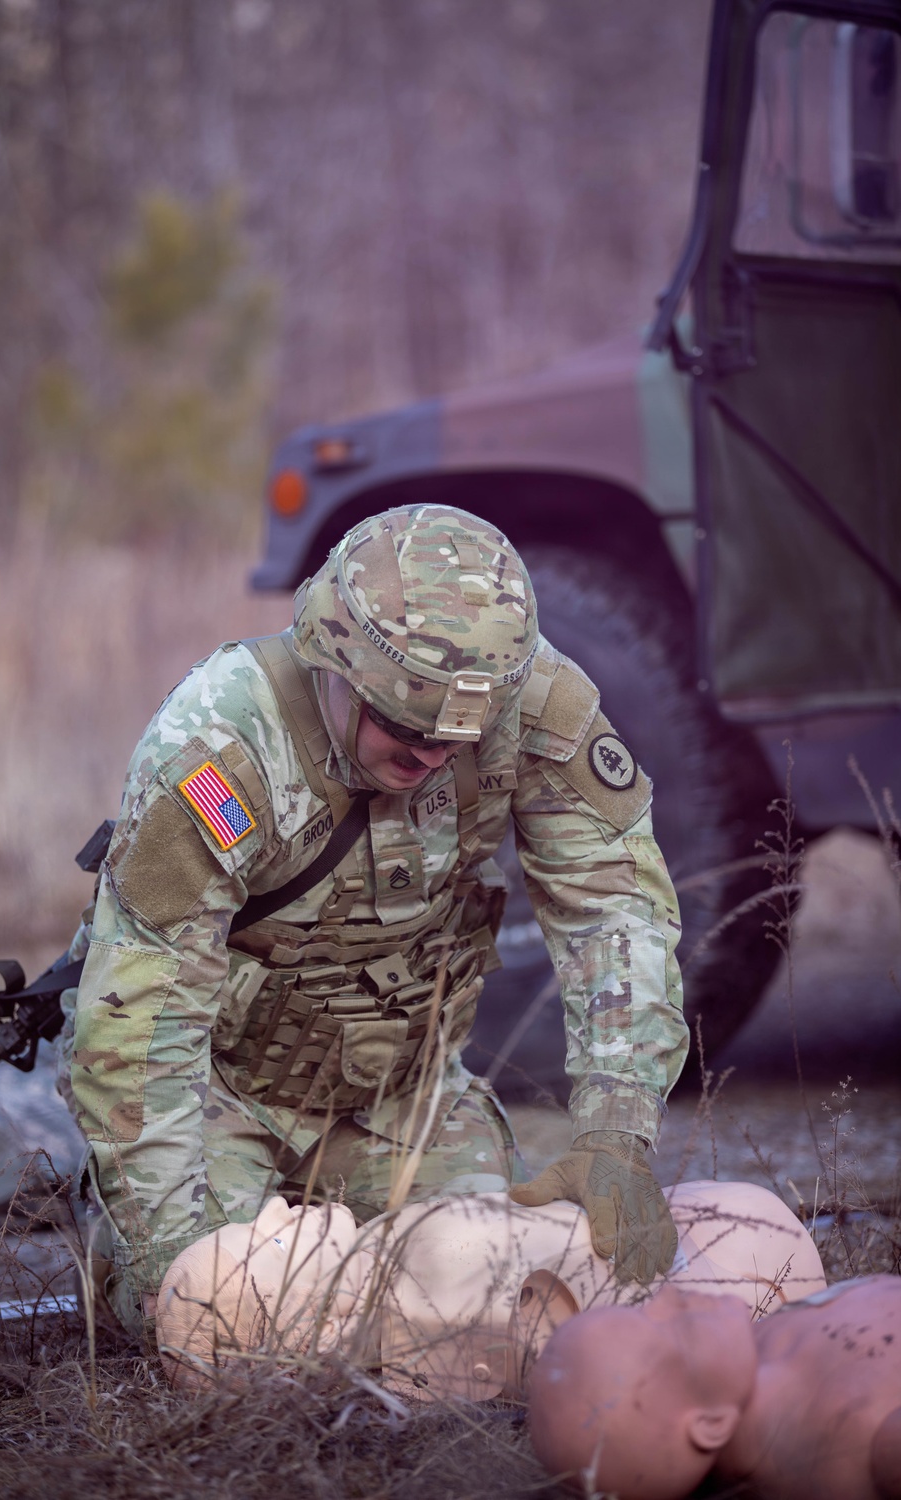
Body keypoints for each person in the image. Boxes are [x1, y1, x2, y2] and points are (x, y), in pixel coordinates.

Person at [57, 504, 689, 1334]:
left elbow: (616, 915)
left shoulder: (534, 705)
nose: (428, 756)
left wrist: (617, 1131)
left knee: (498, 1299)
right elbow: (141, 1016)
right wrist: (171, 1254)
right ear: (333, 664)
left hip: (401, 1099)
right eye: (401, 727)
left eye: (458, 739)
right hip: (223, 1094)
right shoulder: (223, 742)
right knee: (213, 1315)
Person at [154, 1181, 826, 1400]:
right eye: (267, 1242)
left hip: (738, 1239)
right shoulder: (424, 1290)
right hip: (750, 1269)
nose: (279, 1207)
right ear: (304, 1335)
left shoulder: (399, 1258)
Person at [528, 1275, 901, 1500]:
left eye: (643, 1307)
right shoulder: (870, 1441)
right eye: (677, 1329)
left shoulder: (749, 1357)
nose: (669, 1293)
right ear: (710, 1425)